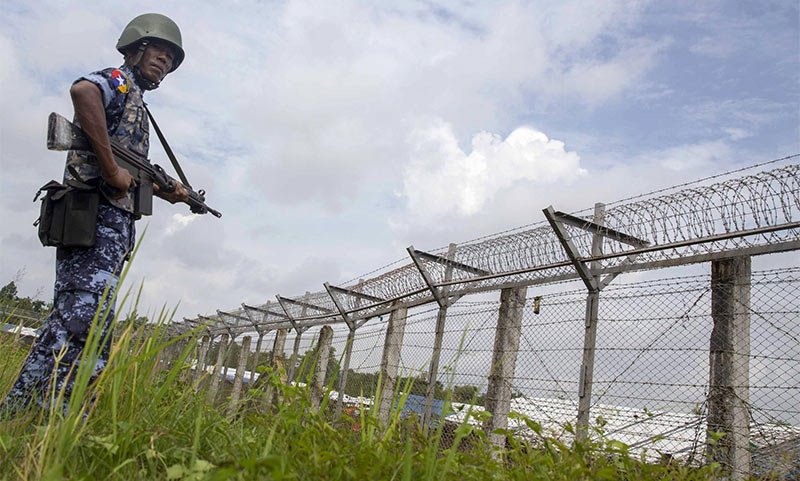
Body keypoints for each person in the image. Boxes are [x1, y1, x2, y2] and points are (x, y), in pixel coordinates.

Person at [1, 13, 189, 416]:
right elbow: (84, 91)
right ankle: (58, 426)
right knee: (86, 327)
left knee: (64, 325)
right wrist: (111, 169)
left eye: (171, 59)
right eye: (159, 52)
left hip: (106, 232)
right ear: (137, 47)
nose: (164, 62)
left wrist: (173, 193)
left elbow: (132, 175)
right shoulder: (118, 82)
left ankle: (14, 414)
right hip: (92, 224)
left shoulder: (136, 104)